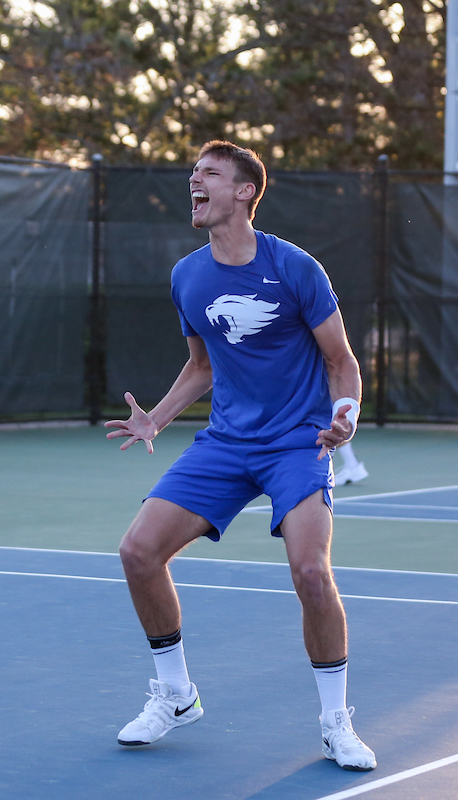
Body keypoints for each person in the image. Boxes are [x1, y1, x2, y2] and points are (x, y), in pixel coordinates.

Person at [104, 140, 376, 771]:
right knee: (138, 552)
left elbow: (341, 360)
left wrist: (345, 414)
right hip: (226, 443)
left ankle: (336, 723)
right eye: (193, 173)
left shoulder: (296, 268)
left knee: (311, 573)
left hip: (297, 443)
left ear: (245, 191)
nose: (194, 182)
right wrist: (156, 418)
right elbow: (201, 366)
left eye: (210, 174)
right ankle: (175, 694)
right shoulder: (188, 276)